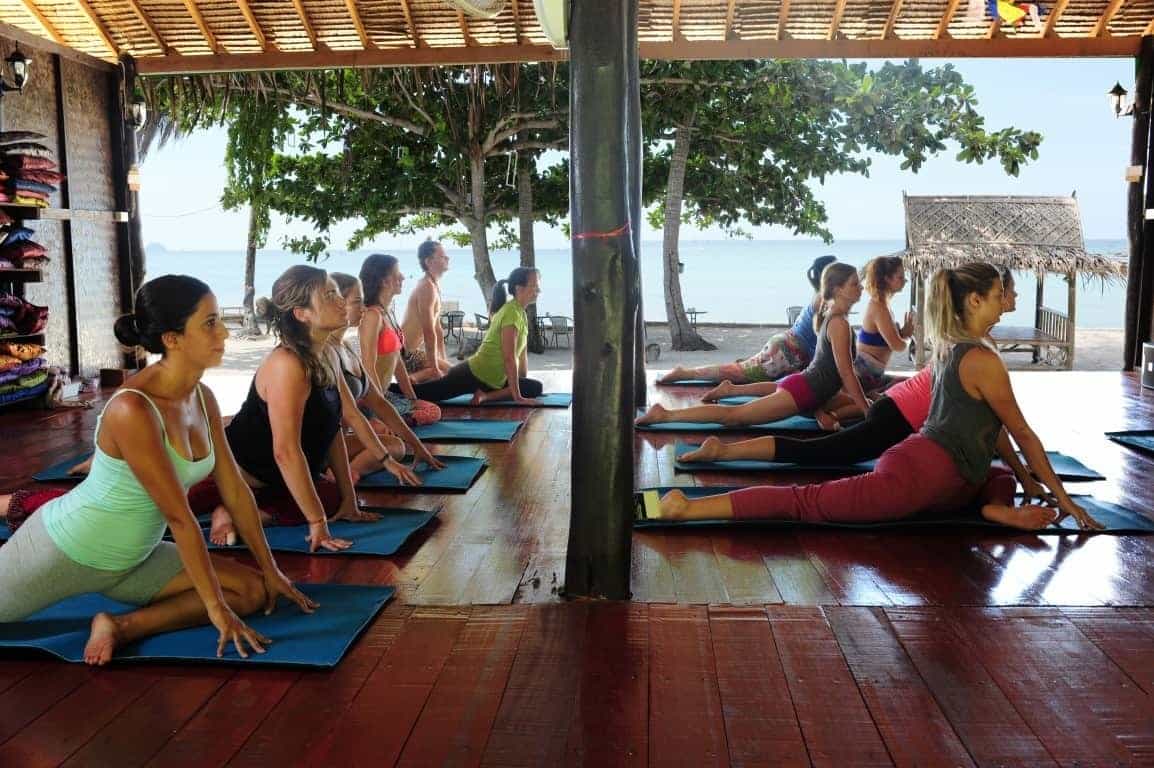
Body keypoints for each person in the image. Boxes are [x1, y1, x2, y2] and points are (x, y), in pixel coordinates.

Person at [0, 275, 315, 665]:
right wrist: (216, 611)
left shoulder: (202, 396)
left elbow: (234, 487)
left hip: (137, 559)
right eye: (210, 323)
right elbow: (180, 519)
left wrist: (272, 570)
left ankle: (120, 626)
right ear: (172, 338)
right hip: (68, 550)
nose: (224, 334)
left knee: (251, 593)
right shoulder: (133, 408)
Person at [654, 263, 1102, 532]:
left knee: (993, 476)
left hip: (949, 473)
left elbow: (995, 430)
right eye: (1002, 294)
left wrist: (1026, 481)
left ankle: (995, 507)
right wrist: (1065, 502)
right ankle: (686, 507)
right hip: (915, 474)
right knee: (806, 502)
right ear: (977, 300)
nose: (1011, 297)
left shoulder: (959, 347)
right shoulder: (979, 358)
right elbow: (1022, 432)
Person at [188, 265, 420, 549]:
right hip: (232, 478)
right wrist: (318, 524)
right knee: (164, 512)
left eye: (337, 293)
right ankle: (230, 507)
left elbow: (332, 428)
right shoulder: (287, 364)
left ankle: (238, 513)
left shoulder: (328, 355)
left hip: (278, 482)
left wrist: (349, 502)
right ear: (302, 313)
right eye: (329, 295)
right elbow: (285, 451)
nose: (339, 301)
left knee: (332, 500)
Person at [637, 263, 869, 430]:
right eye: (855, 284)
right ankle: (665, 415)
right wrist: (868, 412)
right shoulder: (838, 323)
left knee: (867, 402)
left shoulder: (835, 318)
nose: (861, 287)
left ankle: (826, 414)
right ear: (838, 289)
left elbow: (837, 374)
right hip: (803, 391)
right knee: (734, 416)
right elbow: (846, 373)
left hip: (812, 390)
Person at [328, 272, 445, 479]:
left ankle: (345, 474)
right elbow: (352, 413)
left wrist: (418, 446)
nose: (363, 308)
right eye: (357, 302)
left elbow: (379, 403)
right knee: (386, 442)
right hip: (321, 446)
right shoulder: (325, 353)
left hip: (338, 439)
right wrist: (387, 462)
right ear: (336, 303)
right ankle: (339, 477)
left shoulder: (345, 347)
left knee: (396, 446)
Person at [657, 255, 837, 385]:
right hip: (785, 353)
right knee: (738, 373)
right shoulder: (824, 300)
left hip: (786, 348)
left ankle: (687, 373)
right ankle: (685, 373)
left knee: (740, 371)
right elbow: (822, 339)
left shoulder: (822, 296)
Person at [411, 267, 545, 404]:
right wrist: (518, 397)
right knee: (420, 393)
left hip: (493, 379)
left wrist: (521, 381)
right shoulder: (512, 313)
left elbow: (521, 355)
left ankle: (484, 396)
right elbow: (509, 358)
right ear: (519, 288)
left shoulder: (520, 312)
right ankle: (390, 391)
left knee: (534, 387)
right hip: (474, 374)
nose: (538, 291)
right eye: (534, 286)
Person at [355, 254, 441, 427]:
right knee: (431, 412)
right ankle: (379, 423)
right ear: (384, 281)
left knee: (432, 410)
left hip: (384, 393)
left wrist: (412, 398)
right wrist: (379, 404)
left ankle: (386, 423)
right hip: (371, 397)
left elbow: (397, 363)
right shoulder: (372, 316)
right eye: (397, 273)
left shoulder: (388, 313)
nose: (402, 277)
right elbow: (368, 365)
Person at [853, 255, 913, 394]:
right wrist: (908, 337)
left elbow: (885, 339)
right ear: (887, 279)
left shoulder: (882, 303)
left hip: (871, 371)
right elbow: (897, 346)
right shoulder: (880, 307)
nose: (905, 280)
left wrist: (902, 333)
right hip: (865, 373)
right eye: (900, 277)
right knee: (907, 385)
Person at [400, 239, 452, 383]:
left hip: (412, 353)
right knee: (455, 374)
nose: (447, 258)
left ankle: (421, 375)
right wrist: (435, 368)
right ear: (429, 261)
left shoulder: (434, 285)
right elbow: (429, 331)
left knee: (453, 372)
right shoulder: (426, 287)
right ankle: (414, 378)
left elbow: (438, 329)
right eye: (442, 256)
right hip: (405, 355)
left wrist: (442, 359)